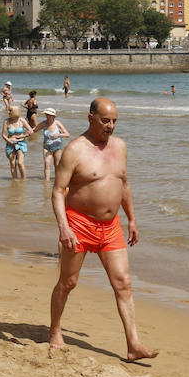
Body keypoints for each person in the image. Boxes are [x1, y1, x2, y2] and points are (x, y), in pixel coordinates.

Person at [49, 98, 158, 362]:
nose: (110, 126)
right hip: (79, 223)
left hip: (111, 226)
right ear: (90, 118)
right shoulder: (74, 150)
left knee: (123, 283)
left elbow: (124, 184)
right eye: (105, 121)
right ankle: (54, 331)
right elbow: (57, 192)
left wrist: (131, 219)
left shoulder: (120, 147)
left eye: (114, 121)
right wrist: (64, 227)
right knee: (68, 283)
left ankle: (133, 345)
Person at [33, 107, 70, 182]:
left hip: (57, 147)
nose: (47, 116)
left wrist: (58, 135)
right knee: (47, 164)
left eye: (48, 115)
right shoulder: (44, 123)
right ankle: (46, 182)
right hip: (47, 147)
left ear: (53, 116)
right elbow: (34, 130)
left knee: (57, 165)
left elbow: (67, 134)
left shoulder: (57, 123)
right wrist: (25, 133)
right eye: (46, 114)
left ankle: (57, 181)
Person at [2, 105, 34, 180]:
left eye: (10, 111)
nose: (8, 112)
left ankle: (24, 180)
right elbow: (3, 134)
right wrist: (9, 141)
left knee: (20, 163)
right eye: (9, 110)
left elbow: (31, 131)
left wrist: (23, 136)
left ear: (15, 112)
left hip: (21, 143)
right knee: (13, 164)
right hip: (10, 144)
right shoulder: (6, 121)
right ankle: (15, 181)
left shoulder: (22, 120)